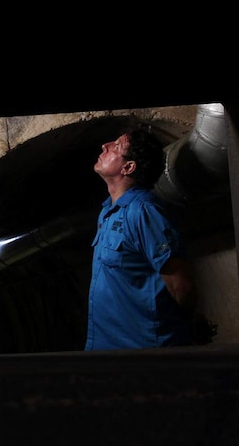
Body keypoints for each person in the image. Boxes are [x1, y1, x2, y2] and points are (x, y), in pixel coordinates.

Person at [84, 122, 203, 350]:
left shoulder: (143, 212)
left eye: (116, 146)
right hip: (106, 349)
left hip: (141, 353)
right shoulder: (108, 211)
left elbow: (181, 286)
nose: (105, 146)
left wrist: (187, 322)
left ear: (128, 167)